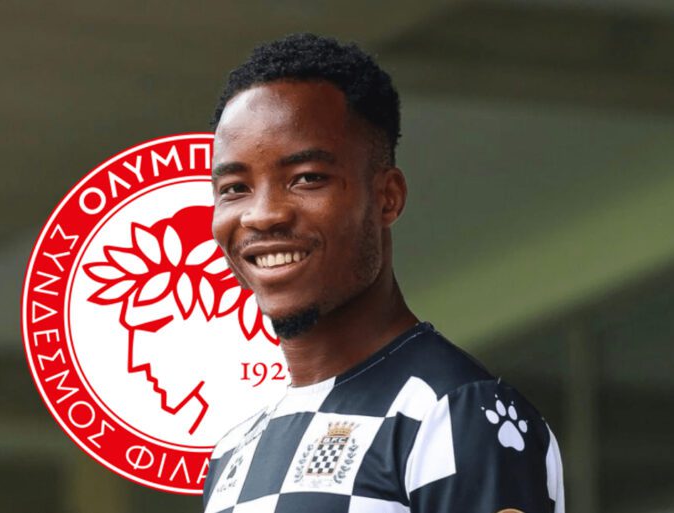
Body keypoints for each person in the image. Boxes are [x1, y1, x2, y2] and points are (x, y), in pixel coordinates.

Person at [204, 33, 564, 513]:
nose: (263, 215)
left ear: (387, 197)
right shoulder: (234, 452)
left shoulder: (457, 413)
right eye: (234, 188)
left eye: (307, 178)